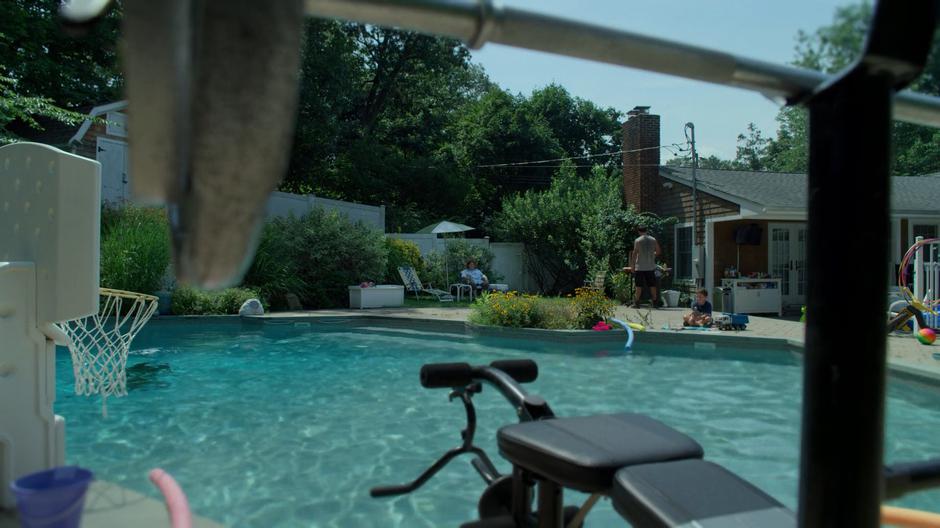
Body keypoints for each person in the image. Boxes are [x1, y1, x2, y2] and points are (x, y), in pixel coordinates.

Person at [631, 226, 661, 308]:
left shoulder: (638, 240)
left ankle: (637, 302)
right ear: (646, 231)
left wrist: (632, 265)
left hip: (640, 266)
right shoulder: (653, 239)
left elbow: (635, 253)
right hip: (650, 266)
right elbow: (658, 251)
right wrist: (653, 255)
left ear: (639, 232)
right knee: (652, 285)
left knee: (638, 285)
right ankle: (655, 302)